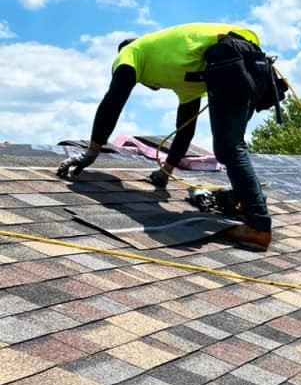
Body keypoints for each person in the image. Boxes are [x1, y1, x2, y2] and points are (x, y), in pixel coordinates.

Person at [56, 23, 273, 251]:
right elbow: (185, 130)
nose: (148, 85)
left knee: (229, 148)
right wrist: (165, 171)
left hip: (231, 56)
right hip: (251, 62)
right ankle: (246, 202)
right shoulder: (182, 75)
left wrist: (91, 153)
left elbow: (113, 101)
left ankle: (258, 226)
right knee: (229, 148)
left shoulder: (131, 51)